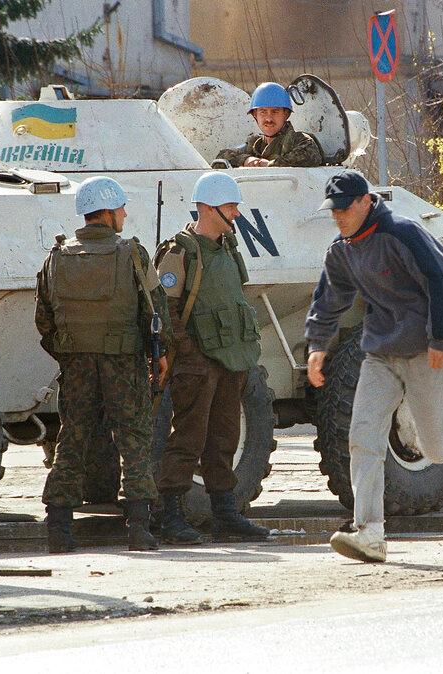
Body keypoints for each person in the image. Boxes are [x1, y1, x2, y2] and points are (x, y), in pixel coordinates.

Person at [305, 170, 443, 563]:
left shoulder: (403, 234)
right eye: (333, 211)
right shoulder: (342, 250)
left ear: (366, 202)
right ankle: (369, 533)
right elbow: (329, 297)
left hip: (425, 351)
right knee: (362, 436)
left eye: (344, 209)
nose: (338, 217)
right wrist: (317, 345)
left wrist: (441, 338)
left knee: (436, 450)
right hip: (380, 355)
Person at [35, 176, 171, 553]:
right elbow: (154, 311)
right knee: (134, 438)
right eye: (122, 208)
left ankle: (59, 529)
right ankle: (139, 529)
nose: (125, 214)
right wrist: (158, 354)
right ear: (109, 212)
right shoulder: (132, 253)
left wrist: (70, 353)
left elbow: (44, 320)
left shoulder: (57, 255)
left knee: (72, 438)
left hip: (76, 363)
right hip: (123, 362)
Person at [153, 172, 270, 543]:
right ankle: (169, 515)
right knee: (188, 437)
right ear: (207, 207)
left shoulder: (229, 248)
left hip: (231, 359)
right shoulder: (181, 250)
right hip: (197, 363)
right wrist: (187, 353)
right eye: (230, 206)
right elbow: (164, 308)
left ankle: (225, 513)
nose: (236, 213)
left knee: (224, 438)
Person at [216, 82, 324, 168]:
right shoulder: (255, 144)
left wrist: (268, 165)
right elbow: (221, 158)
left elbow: (309, 155)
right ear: (255, 115)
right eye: (263, 112)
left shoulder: (300, 140)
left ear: (286, 114)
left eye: (275, 112)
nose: (268, 118)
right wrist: (245, 160)